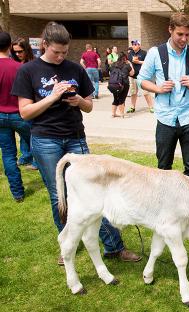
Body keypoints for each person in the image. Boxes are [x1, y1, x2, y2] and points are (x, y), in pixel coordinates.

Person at [11, 21, 141, 265]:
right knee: (59, 195)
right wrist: (53, 97)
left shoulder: (75, 69)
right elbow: (25, 113)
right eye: (56, 52)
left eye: (65, 52)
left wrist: (79, 101)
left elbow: (90, 106)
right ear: (44, 45)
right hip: (45, 140)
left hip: (75, 137)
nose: (61, 57)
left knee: (95, 193)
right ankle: (67, 245)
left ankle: (114, 247)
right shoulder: (28, 71)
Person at [137, 12, 189, 185]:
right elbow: (142, 80)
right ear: (170, 29)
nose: (184, 39)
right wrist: (158, 88)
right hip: (165, 118)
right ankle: (163, 205)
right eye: (180, 34)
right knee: (163, 166)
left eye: (187, 34)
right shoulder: (156, 53)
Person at [0, 32, 32, 202]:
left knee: (8, 155)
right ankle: (52, 183)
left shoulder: (20, 67)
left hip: (1, 117)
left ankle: (17, 193)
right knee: (39, 147)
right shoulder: (19, 68)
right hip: (20, 115)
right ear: (9, 46)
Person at [10, 37, 38, 170]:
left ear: (27, 50)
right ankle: (26, 156)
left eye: (20, 51)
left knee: (32, 134)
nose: (17, 54)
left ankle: (36, 161)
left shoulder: (33, 65)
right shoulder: (14, 65)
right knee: (23, 134)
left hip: (31, 104)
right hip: (17, 106)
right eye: (14, 52)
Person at [127, 40, 154, 113]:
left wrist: (138, 62)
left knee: (145, 92)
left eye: (135, 44)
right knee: (133, 92)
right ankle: (132, 107)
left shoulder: (144, 53)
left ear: (139, 45)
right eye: (133, 44)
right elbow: (128, 62)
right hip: (132, 76)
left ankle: (151, 107)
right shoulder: (130, 53)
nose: (134, 45)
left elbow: (148, 62)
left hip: (142, 76)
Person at [108, 52, 134, 117]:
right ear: (125, 58)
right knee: (122, 99)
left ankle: (113, 114)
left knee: (115, 98)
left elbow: (110, 73)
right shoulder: (126, 65)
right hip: (124, 84)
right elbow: (132, 74)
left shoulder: (113, 65)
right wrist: (130, 64)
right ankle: (122, 114)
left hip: (114, 84)